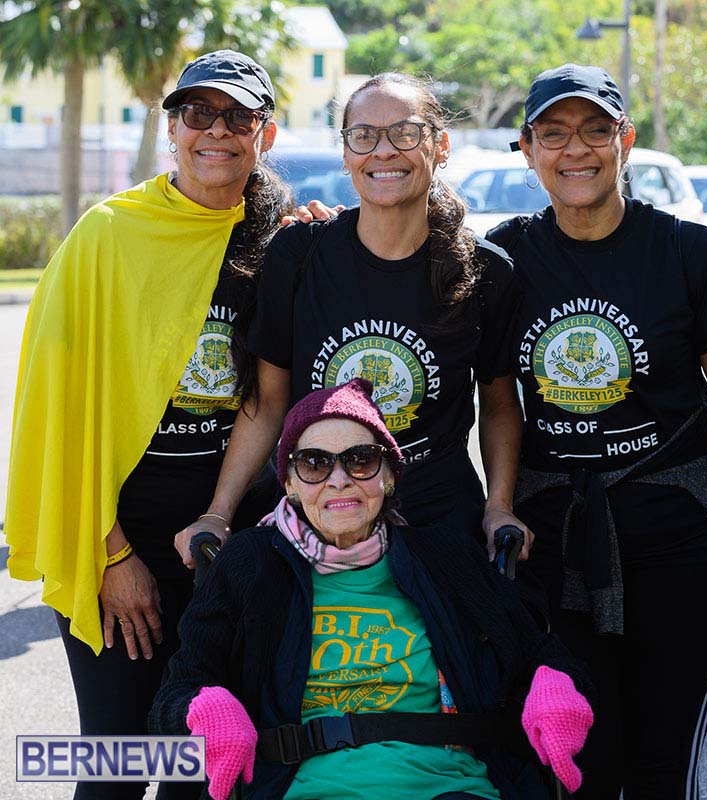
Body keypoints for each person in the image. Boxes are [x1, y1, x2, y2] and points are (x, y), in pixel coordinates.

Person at [4, 50, 335, 800]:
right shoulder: (108, 235)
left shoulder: (277, 243)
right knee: (118, 762)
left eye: (238, 117)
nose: (215, 130)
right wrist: (110, 555)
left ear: (266, 135)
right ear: (172, 129)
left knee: (209, 768)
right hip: (122, 539)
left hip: (237, 546)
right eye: (197, 113)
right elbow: (58, 411)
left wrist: (321, 232)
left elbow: (279, 391)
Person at [485, 63, 707, 800]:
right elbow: (497, 402)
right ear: (527, 149)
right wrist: (498, 504)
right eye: (554, 134)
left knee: (663, 768)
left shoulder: (686, 250)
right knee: (573, 766)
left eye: (596, 130)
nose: (576, 149)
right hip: (553, 543)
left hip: (681, 539)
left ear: (624, 141)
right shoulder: (505, 256)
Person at [150, 378, 595, 800]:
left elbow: (542, 654)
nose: (338, 479)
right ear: (289, 483)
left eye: (360, 460)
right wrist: (203, 708)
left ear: (389, 476)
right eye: (314, 463)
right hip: (307, 790)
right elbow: (180, 688)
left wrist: (555, 684)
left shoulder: (444, 556)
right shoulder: (252, 564)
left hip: (450, 787)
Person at [174, 72, 528, 566]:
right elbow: (267, 404)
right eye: (364, 136)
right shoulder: (297, 255)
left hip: (439, 525)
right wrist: (218, 513)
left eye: (405, 133)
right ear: (346, 153)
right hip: (318, 527)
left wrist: (499, 507)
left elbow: (499, 406)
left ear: (441, 146)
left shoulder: (486, 270)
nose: (383, 151)